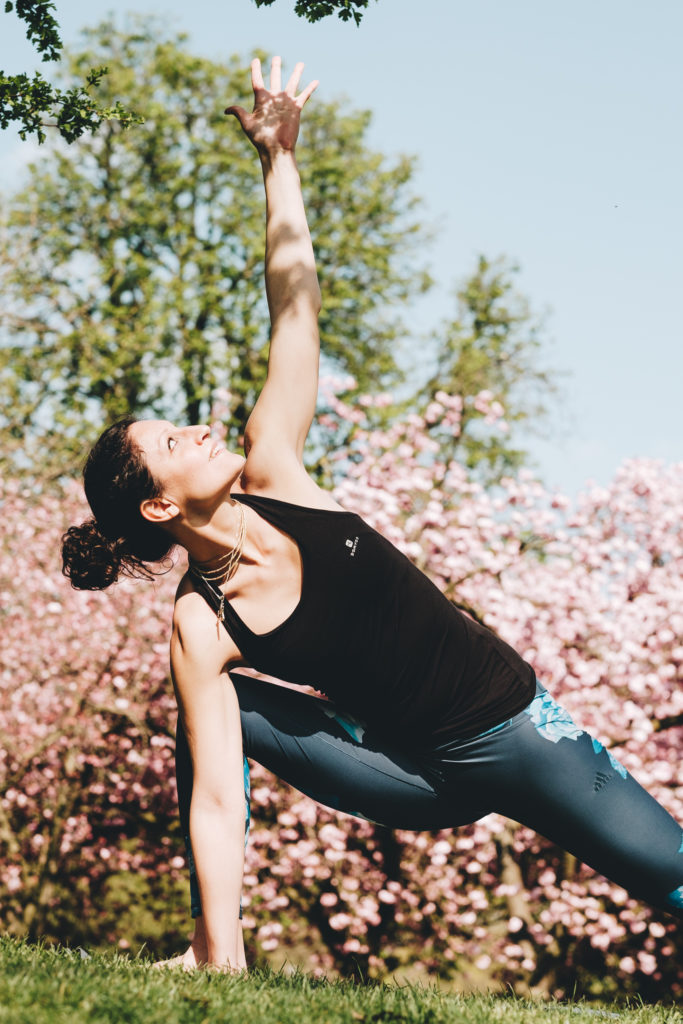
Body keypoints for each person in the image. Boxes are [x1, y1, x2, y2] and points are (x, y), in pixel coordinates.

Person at [62, 57, 683, 974]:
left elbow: (296, 309)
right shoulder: (202, 623)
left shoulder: (275, 464)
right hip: (405, 772)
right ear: (159, 504)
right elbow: (216, 800)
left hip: (517, 732)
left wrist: (277, 161)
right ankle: (216, 954)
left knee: (672, 870)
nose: (199, 428)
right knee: (210, 710)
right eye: (174, 442)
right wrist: (217, 934)